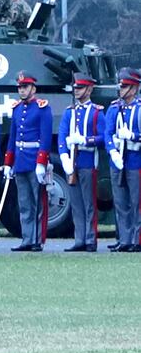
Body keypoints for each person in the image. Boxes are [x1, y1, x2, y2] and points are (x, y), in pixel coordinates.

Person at [2, 71, 53, 252]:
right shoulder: (17, 109)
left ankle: (37, 240)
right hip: (21, 160)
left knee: (38, 202)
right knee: (24, 203)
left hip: (34, 160)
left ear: (33, 88)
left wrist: (41, 161)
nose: (22, 91)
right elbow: (13, 137)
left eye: (25, 87)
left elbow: (45, 137)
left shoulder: (42, 108)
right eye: (20, 88)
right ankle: (27, 238)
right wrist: (8, 162)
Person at [58, 73, 105, 252]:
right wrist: (64, 157)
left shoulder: (96, 112)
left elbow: (103, 137)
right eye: (76, 88)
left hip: (87, 161)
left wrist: (86, 140)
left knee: (89, 203)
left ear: (89, 89)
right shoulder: (70, 112)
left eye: (80, 88)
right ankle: (79, 239)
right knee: (76, 204)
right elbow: (62, 136)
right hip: (73, 162)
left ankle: (91, 239)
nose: (77, 91)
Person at [104, 67, 141, 252]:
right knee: (121, 202)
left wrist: (133, 136)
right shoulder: (114, 108)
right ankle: (125, 239)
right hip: (118, 160)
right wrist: (112, 152)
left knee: (137, 202)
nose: (121, 89)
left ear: (134, 89)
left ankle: (137, 239)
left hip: (135, 160)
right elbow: (107, 133)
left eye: (125, 86)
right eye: (121, 85)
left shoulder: (139, 108)